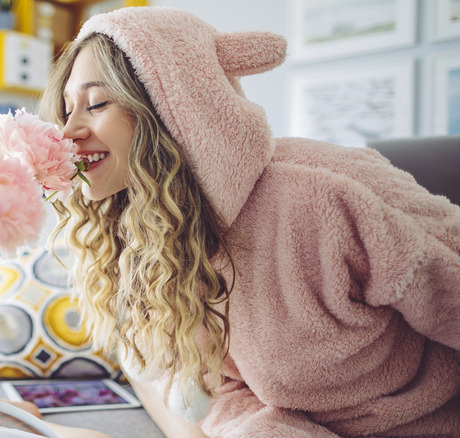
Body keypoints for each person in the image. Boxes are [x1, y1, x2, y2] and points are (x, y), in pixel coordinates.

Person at [36, 6, 460, 438]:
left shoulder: (323, 194)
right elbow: (213, 388)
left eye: (96, 103)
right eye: (66, 111)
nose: (68, 132)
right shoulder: (149, 230)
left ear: (168, 106)